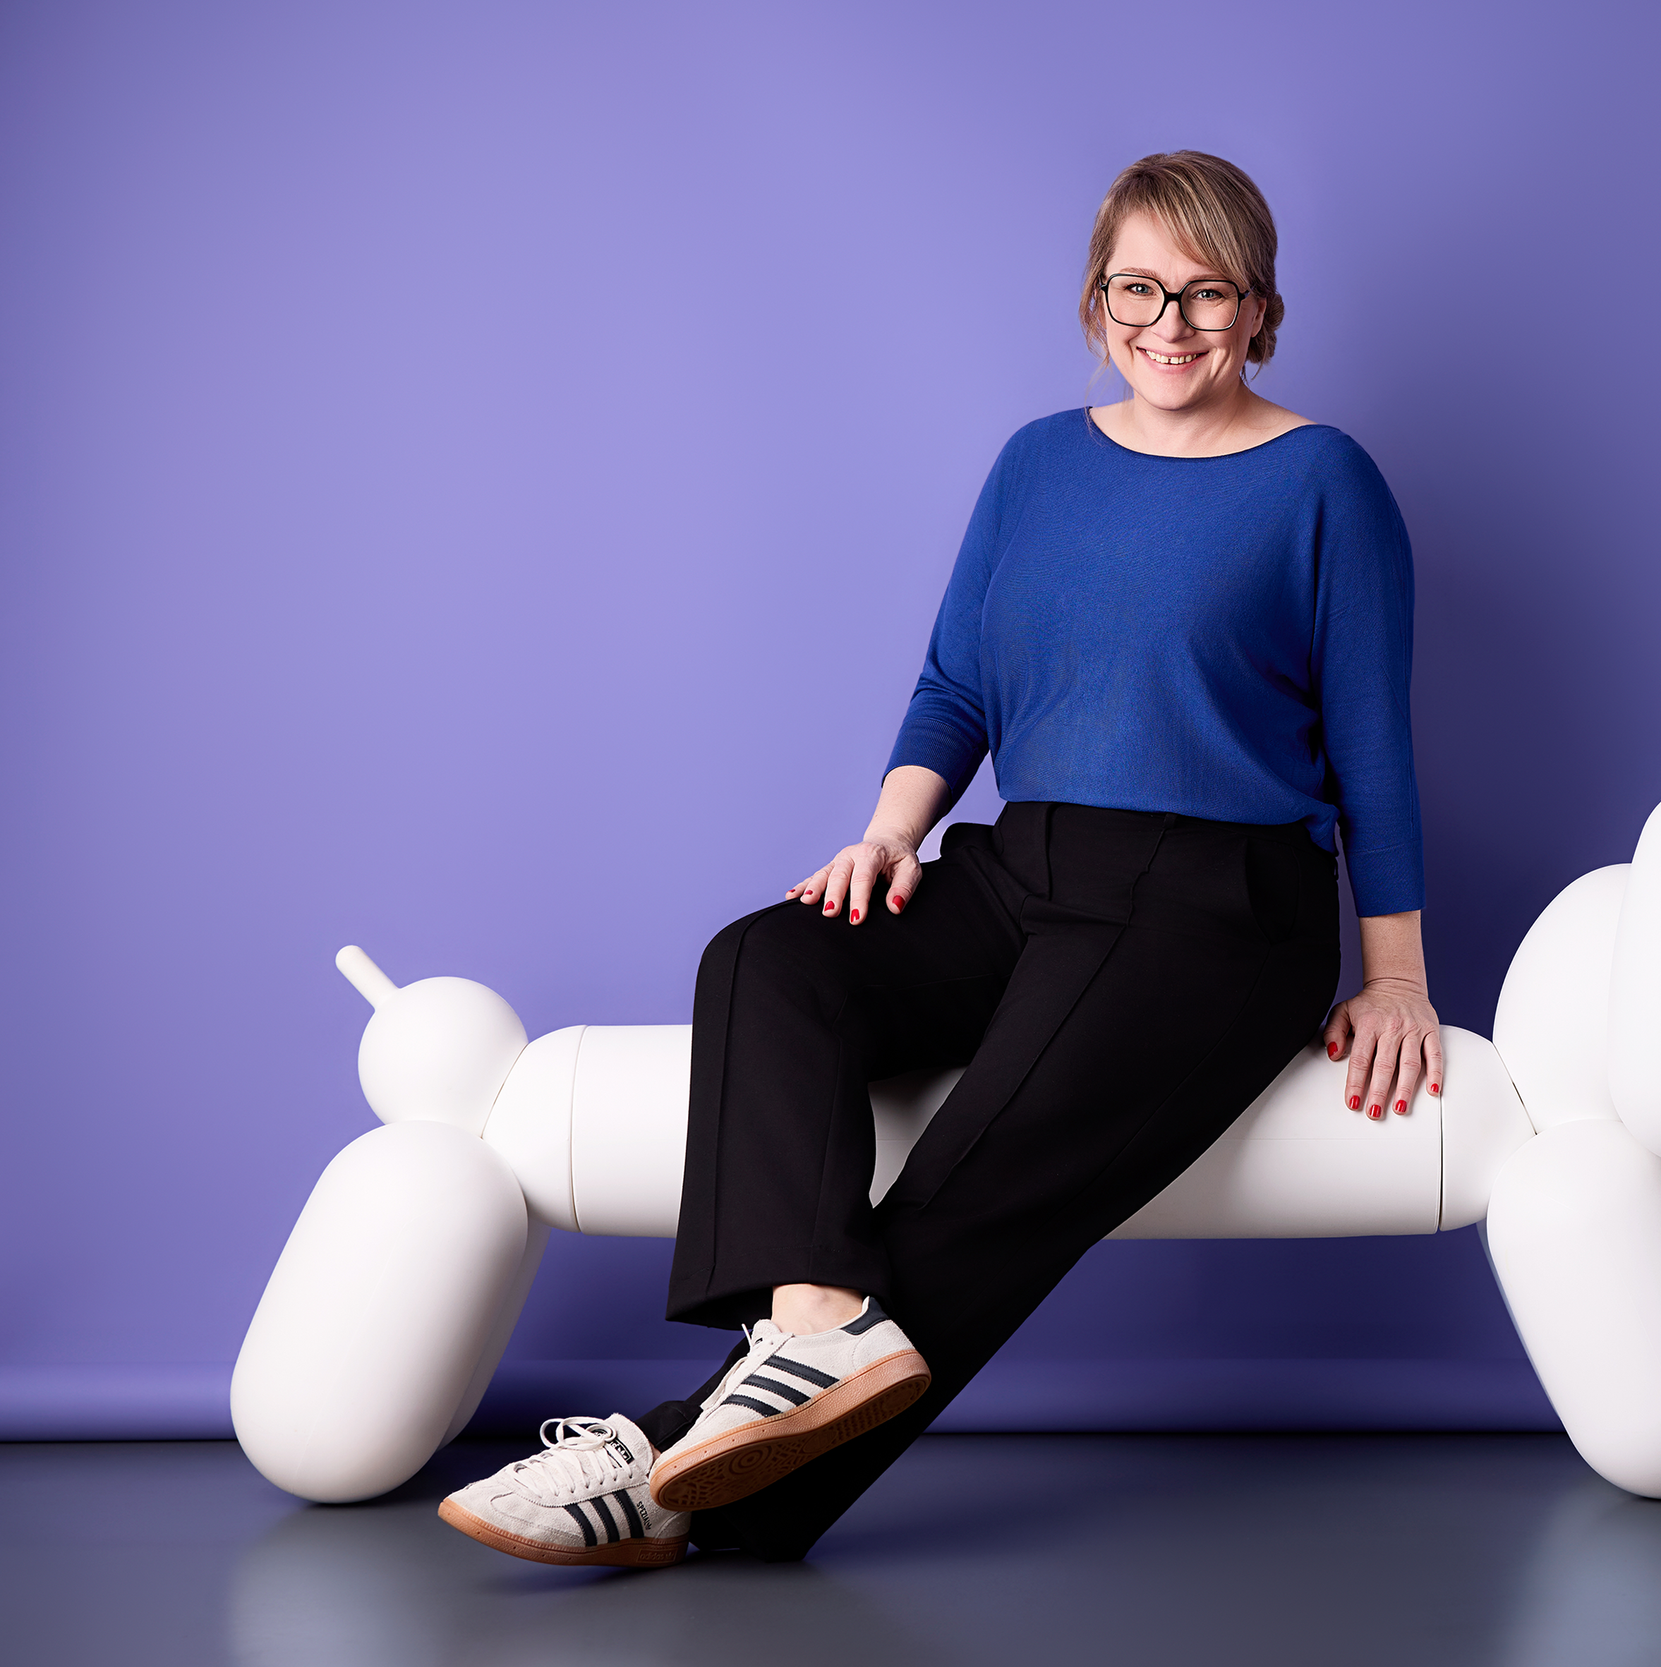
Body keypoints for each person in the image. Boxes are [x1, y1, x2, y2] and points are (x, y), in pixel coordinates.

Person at [437, 150, 1438, 1568]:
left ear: (1260, 308)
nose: (1170, 322)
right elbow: (957, 684)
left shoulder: (1325, 479)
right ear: (1095, 303)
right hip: (1025, 867)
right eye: (1138, 288)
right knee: (769, 960)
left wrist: (1395, 975)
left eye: (1207, 291)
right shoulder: (1037, 462)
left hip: (1215, 904)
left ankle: (669, 1477)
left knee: (972, 1180)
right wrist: (890, 834)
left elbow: (1374, 747)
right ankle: (814, 1327)